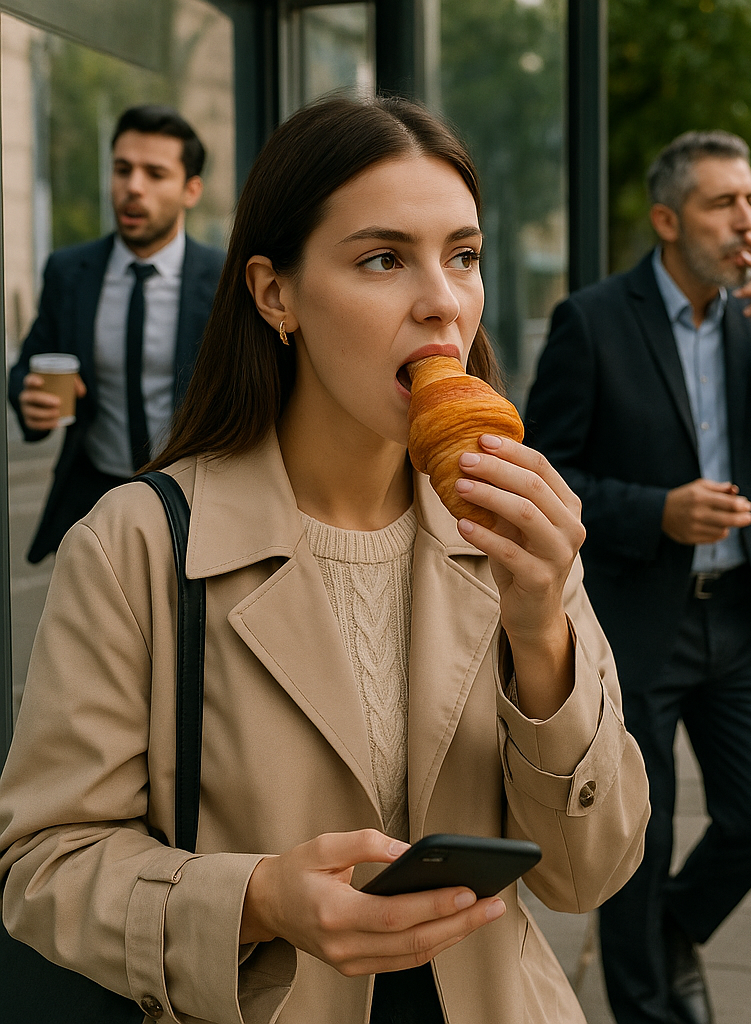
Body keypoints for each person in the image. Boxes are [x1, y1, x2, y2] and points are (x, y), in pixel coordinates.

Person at [0, 96, 649, 1024]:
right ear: (276, 295)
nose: (442, 301)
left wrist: (541, 628)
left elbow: (591, 871)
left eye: (462, 256)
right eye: (384, 258)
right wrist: (258, 899)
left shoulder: (510, 529)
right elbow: (43, 866)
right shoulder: (135, 543)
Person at [525, 130, 751, 1024]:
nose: (747, 220)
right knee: (636, 840)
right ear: (667, 220)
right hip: (637, 620)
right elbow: (547, 471)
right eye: (722, 203)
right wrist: (655, 510)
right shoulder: (593, 319)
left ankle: (674, 932)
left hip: (738, 621)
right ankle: (645, 1006)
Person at [8, 103, 224, 564]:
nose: (133, 188)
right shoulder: (69, 271)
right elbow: (31, 361)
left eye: (155, 173)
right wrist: (28, 397)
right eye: (123, 169)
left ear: (191, 190)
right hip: (94, 495)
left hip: (195, 494)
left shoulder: (225, 281)